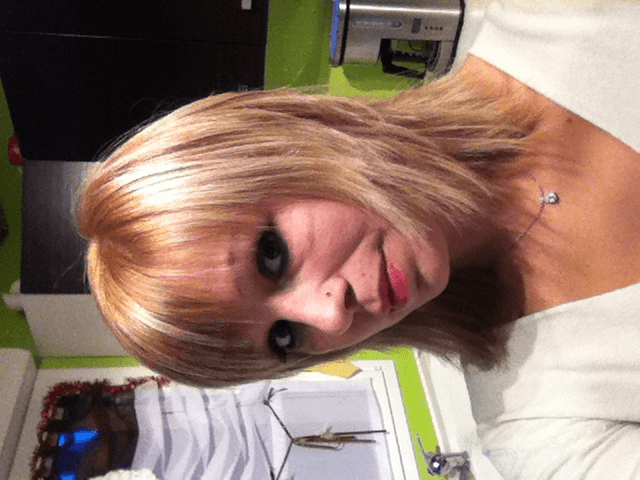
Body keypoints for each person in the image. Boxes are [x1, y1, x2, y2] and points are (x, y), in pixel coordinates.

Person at [77, 1, 640, 477]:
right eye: (283, 338)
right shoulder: (542, 427)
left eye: (272, 257)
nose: (329, 318)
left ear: (282, 141)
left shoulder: (561, 17)